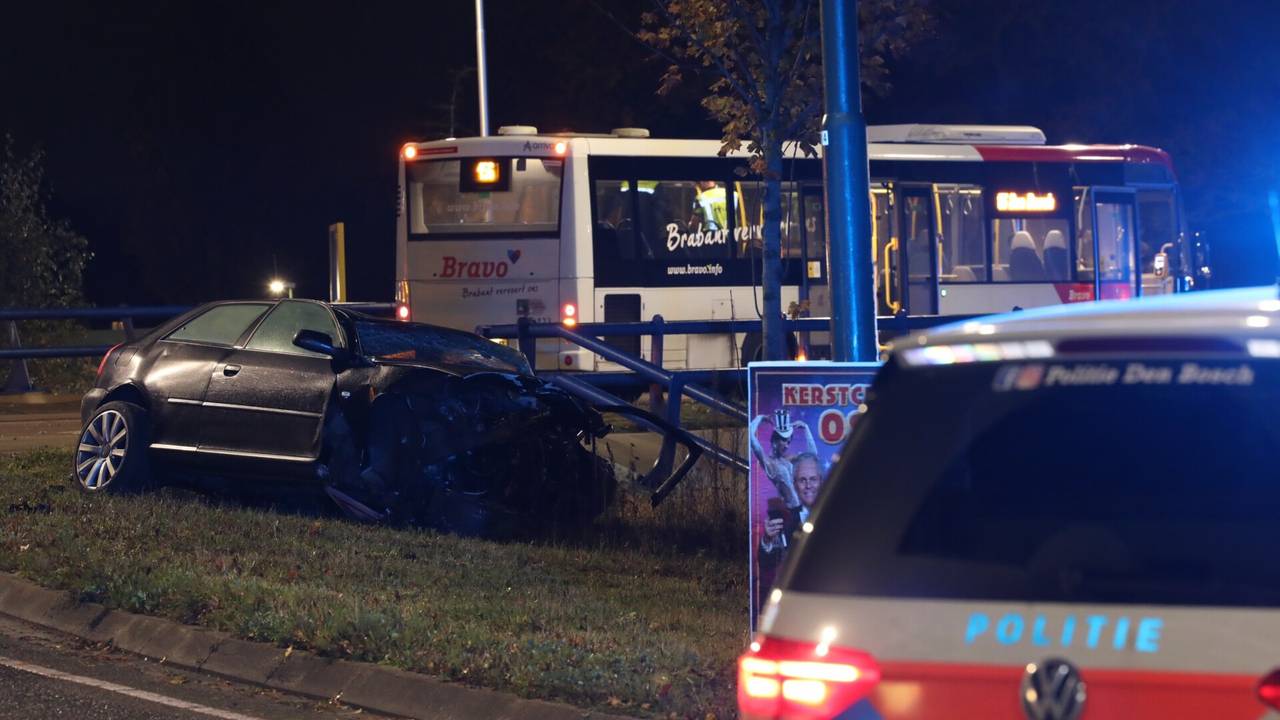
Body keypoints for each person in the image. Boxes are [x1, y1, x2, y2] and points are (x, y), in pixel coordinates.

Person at [749, 409, 817, 510]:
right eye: (784, 440)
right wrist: (760, 418)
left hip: (803, 509)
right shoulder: (768, 462)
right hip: (790, 512)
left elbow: (813, 455)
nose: (786, 445)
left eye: (789, 442)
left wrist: (806, 428)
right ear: (775, 441)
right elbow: (751, 437)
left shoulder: (788, 460)